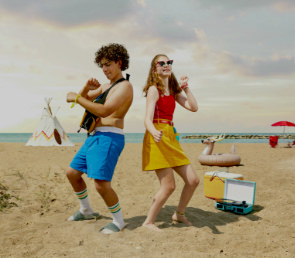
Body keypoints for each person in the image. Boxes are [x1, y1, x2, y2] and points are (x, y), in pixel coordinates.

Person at [65, 43, 133, 234]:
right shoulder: (105, 86)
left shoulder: (125, 87)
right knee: (72, 173)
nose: (104, 69)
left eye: (108, 64)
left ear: (119, 62)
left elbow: (104, 110)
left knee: (101, 184)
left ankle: (119, 221)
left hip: (110, 137)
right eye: (102, 65)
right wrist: (85, 88)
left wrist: (77, 98)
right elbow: (85, 99)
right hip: (94, 135)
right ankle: (86, 210)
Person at [141, 54, 199, 231]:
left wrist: (186, 88)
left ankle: (179, 214)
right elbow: (147, 119)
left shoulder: (173, 92)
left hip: (171, 136)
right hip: (157, 136)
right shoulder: (153, 90)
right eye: (162, 63)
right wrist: (154, 133)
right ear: (155, 69)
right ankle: (149, 222)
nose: (166, 65)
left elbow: (193, 107)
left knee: (193, 180)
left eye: (169, 62)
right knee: (169, 186)